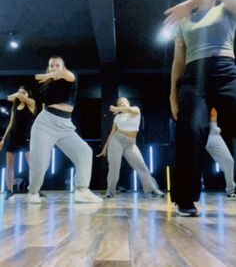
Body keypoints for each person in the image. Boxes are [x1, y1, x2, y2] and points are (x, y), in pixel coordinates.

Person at [165, 0, 236, 216]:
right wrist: (173, 94)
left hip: (225, 70)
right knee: (189, 132)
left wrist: (189, 2)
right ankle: (185, 199)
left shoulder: (227, 5)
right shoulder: (183, 20)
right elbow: (178, 60)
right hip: (193, 77)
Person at [28, 56, 102, 204]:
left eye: (57, 65)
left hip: (65, 125)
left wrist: (49, 74)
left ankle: (82, 191)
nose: (54, 68)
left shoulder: (70, 77)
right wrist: (49, 77)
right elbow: (43, 107)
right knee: (41, 161)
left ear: (63, 67)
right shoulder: (46, 86)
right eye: (51, 66)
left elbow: (67, 75)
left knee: (84, 152)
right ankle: (33, 192)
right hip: (45, 123)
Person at [97, 97, 165, 198]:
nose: (122, 103)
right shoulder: (117, 117)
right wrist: (105, 147)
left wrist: (116, 109)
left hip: (131, 143)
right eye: (119, 103)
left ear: (128, 103)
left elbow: (129, 110)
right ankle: (110, 192)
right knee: (114, 167)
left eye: (123, 101)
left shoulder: (135, 110)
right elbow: (112, 133)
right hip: (117, 140)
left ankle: (153, 190)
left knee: (142, 166)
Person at [0, 86, 36, 200]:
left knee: (32, 165)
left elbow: (20, 96)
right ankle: (10, 190)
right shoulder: (15, 106)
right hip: (13, 137)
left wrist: (16, 94)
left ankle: (35, 189)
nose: (20, 94)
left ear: (28, 94)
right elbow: (10, 124)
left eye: (23, 92)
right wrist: (3, 139)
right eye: (19, 92)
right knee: (9, 165)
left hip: (25, 137)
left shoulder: (31, 103)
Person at [206, 108, 236, 199]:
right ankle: (185, 197)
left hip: (213, 132)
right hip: (196, 128)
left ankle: (230, 191)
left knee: (229, 161)